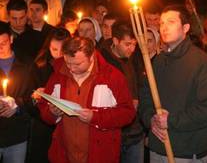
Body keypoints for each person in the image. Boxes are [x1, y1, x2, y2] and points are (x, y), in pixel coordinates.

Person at [139, 4, 207, 162]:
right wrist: (150, 119)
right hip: (157, 148)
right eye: (162, 23)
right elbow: (145, 97)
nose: (164, 27)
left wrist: (171, 120)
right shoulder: (158, 61)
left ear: (185, 28)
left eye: (171, 22)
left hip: (186, 151)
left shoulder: (200, 61)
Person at [38, 36, 136, 163]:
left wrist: (95, 117)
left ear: (91, 57)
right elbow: (44, 109)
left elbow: (128, 113)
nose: (71, 69)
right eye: (68, 63)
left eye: (78, 64)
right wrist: (52, 112)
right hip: (64, 155)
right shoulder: (58, 75)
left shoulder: (112, 77)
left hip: (100, 156)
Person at [99, 21, 145, 163]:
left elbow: (142, 84)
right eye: (127, 44)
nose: (132, 48)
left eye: (134, 44)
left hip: (135, 132)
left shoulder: (136, 57)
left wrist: (138, 98)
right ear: (115, 41)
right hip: (112, 132)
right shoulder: (101, 61)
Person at [27, 28, 71, 163]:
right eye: (54, 49)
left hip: (67, 123)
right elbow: (28, 97)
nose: (58, 55)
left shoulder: (74, 65)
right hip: (43, 125)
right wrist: (36, 97)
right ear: (48, 46)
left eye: (63, 50)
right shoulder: (39, 65)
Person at [0, 22, 34, 163]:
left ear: (11, 39)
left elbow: (34, 97)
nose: (0, 47)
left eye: (4, 42)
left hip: (17, 134)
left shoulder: (26, 64)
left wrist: (17, 106)